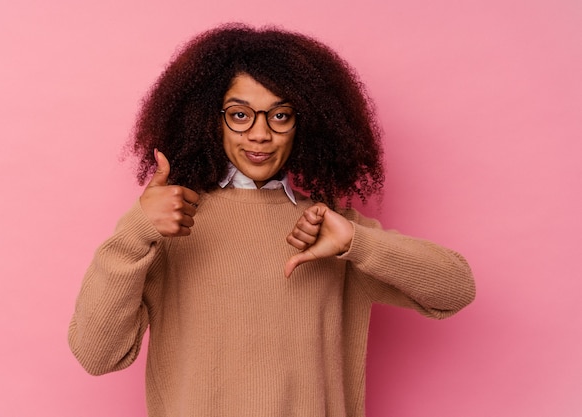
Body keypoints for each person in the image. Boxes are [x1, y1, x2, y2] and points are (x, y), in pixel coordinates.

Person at [68, 23, 475, 417]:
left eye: (279, 116)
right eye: (240, 115)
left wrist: (358, 241)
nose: (260, 134)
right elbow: (96, 354)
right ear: (211, 119)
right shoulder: (170, 226)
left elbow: (456, 289)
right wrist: (138, 228)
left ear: (305, 124)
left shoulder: (328, 228)